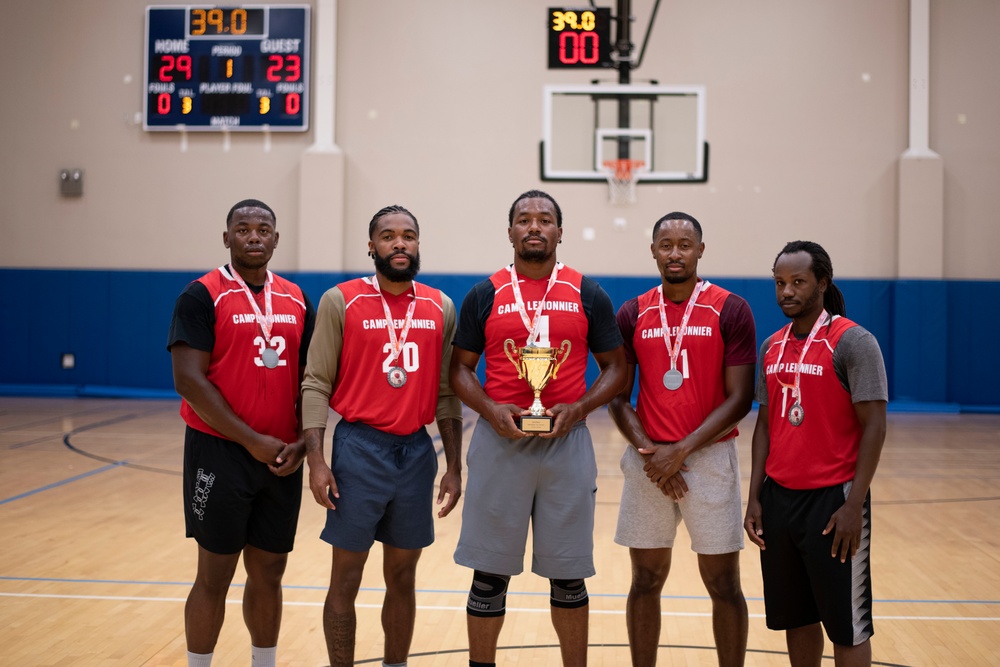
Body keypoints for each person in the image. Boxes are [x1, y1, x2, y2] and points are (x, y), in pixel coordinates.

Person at [450, 189, 627, 667]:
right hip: (499, 443)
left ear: (559, 232)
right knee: (488, 575)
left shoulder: (587, 292)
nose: (534, 227)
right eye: (524, 220)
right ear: (509, 232)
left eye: (544, 220)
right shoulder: (485, 293)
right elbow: (460, 369)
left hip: (565, 445)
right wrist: (490, 410)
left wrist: (581, 407)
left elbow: (617, 368)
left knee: (569, 577)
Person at [301, 205, 463, 667]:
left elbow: (448, 394)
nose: (399, 244)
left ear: (417, 245)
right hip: (359, 447)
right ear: (371, 246)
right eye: (388, 236)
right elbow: (315, 382)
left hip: (416, 451)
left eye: (408, 236)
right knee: (347, 576)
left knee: (403, 576)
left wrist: (454, 466)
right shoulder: (342, 300)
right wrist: (316, 460)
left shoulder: (439, 307)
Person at [167, 198, 315, 667]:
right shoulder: (201, 294)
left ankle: (263, 662)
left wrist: (302, 444)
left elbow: (309, 379)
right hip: (220, 452)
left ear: (276, 238)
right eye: (243, 228)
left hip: (281, 456)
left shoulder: (296, 298)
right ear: (226, 237)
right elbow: (188, 380)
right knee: (215, 572)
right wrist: (250, 439)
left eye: (263, 229)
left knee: (269, 571)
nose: (254, 236)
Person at [608, 212, 756, 667]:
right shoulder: (632, 312)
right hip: (648, 460)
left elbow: (741, 398)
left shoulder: (730, 308)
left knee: (723, 582)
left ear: (700, 250)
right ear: (653, 251)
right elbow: (617, 396)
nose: (675, 253)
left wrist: (682, 451)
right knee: (646, 579)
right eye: (666, 245)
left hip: (708, 459)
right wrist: (653, 454)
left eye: (685, 244)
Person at [744, 241, 887, 667]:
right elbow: (766, 426)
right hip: (780, 500)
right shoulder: (771, 346)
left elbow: (875, 427)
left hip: (833, 503)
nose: (787, 291)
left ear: (822, 283)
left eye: (798, 282)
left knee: (847, 625)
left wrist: (853, 505)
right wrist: (755, 496)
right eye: (780, 283)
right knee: (797, 619)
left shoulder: (853, 342)